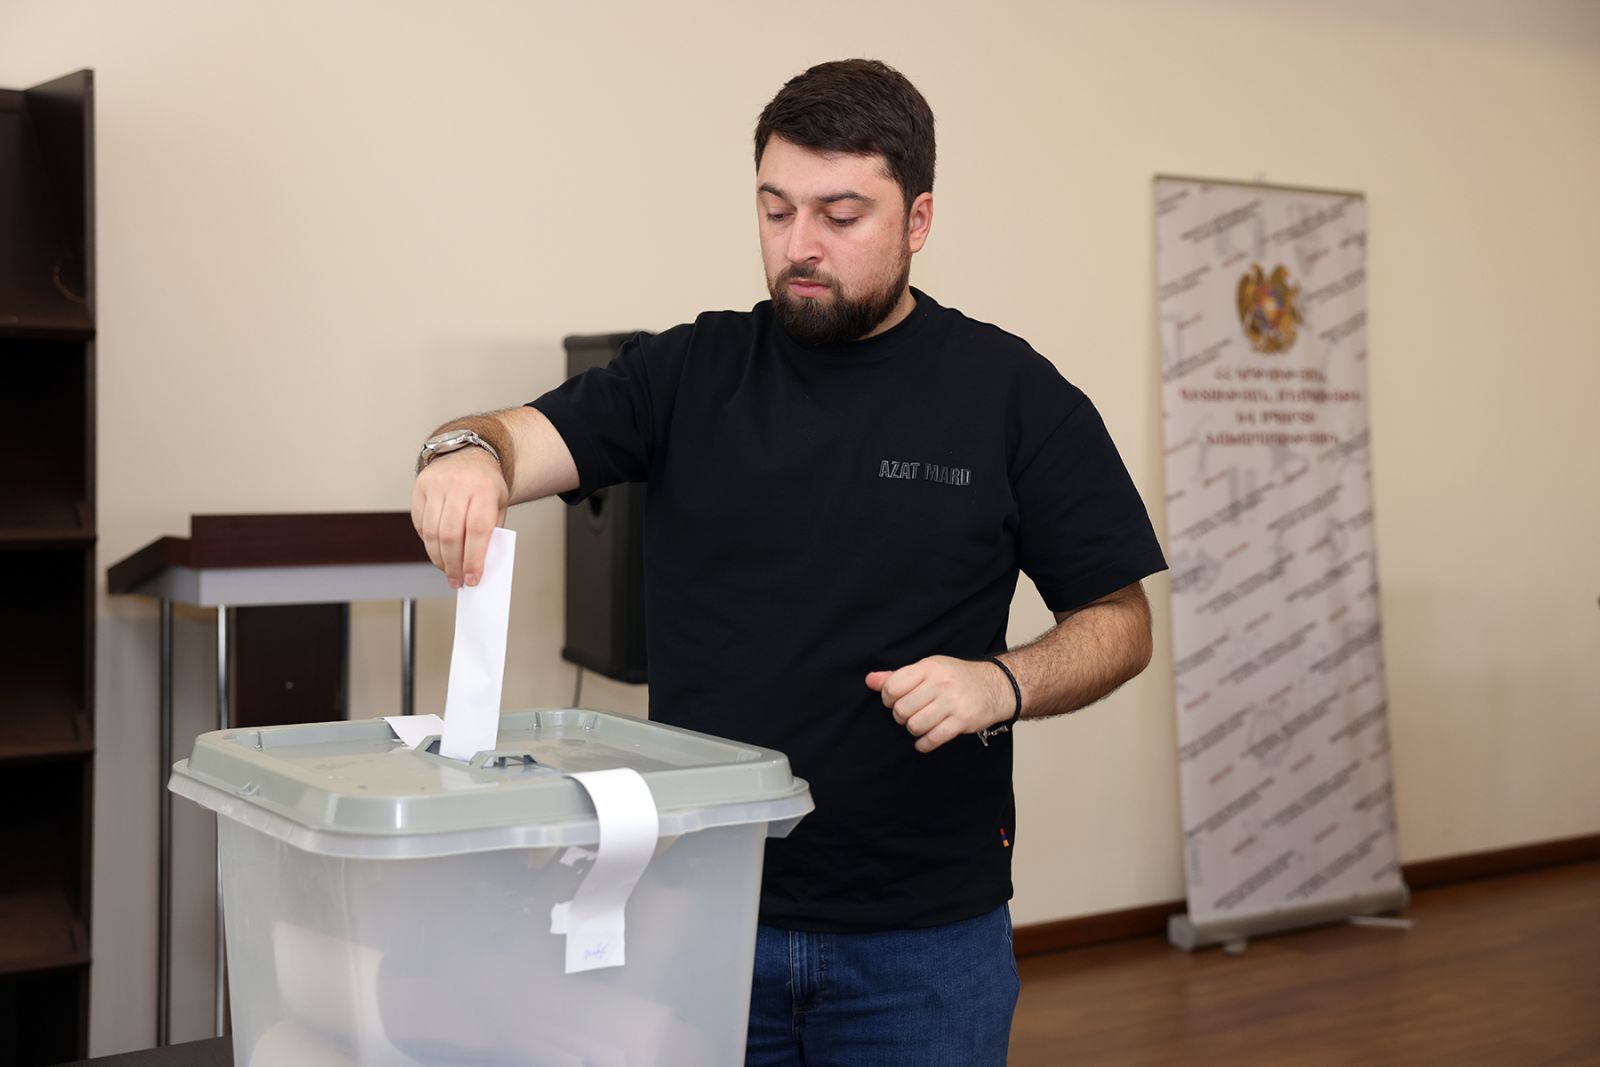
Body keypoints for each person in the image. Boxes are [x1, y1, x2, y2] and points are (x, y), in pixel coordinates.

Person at [411, 58, 1166, 1067]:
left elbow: (1120, 620)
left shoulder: (1011, 394)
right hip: (701, 909)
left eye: (840, 215)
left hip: (920, 938)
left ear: (918, 219)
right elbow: (508, 437)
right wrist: (464, 455)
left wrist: (1003, 682)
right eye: (776, 210)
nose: (800, 244)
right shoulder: (688, 373)